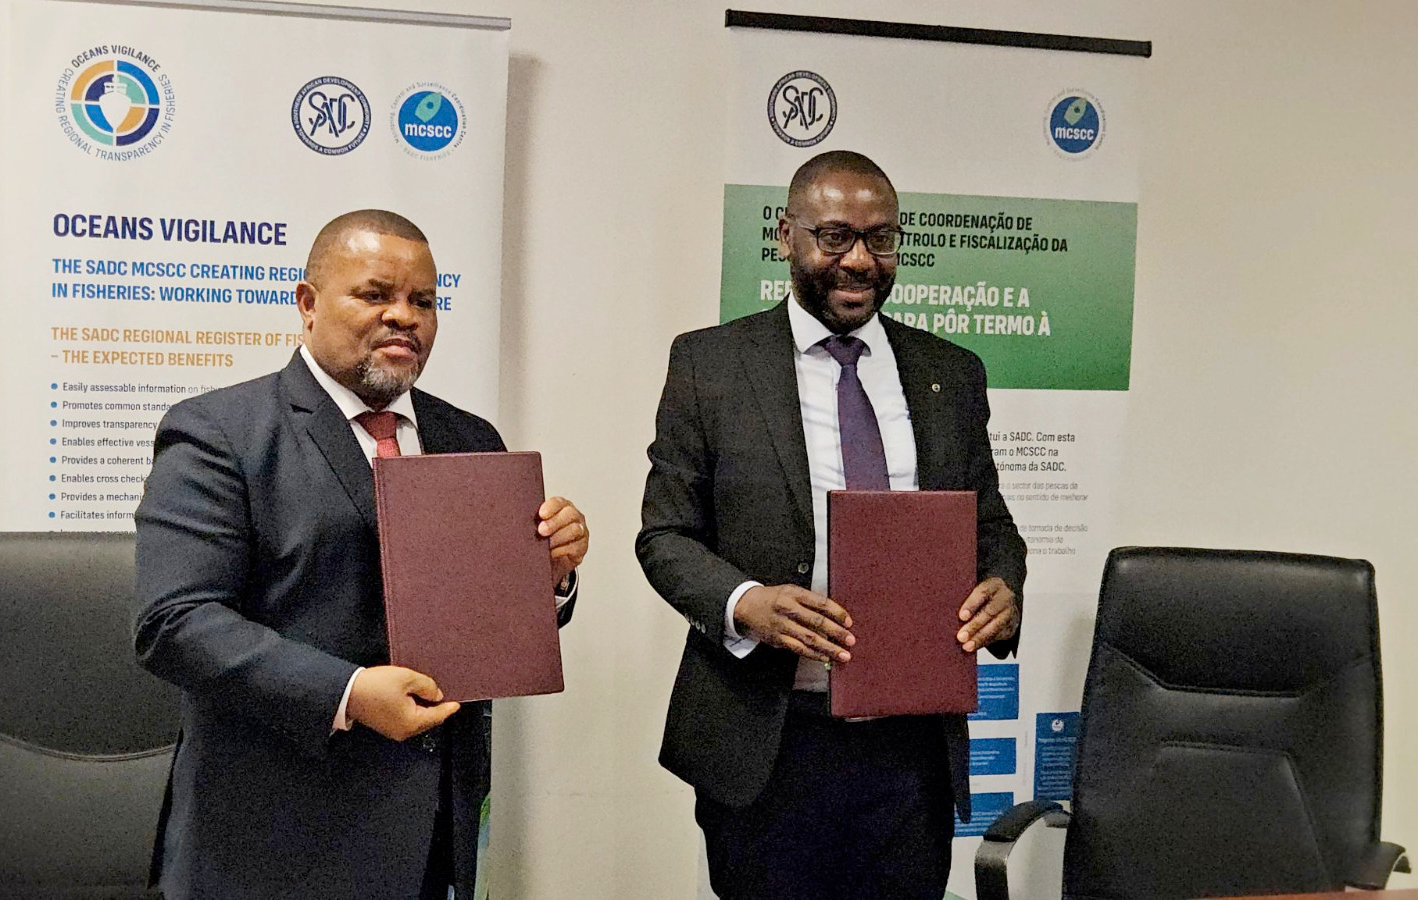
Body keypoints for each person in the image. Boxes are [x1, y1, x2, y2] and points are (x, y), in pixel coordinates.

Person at [134, 209, 589, 900]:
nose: (403, 316)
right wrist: (348, 694)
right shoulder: (219, 432)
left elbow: (485, 623)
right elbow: (174, 622)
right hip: (271, 842)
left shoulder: (470, 437)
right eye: (375, 295)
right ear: (308, 304)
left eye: (423, 301)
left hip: (433, 835)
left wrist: (545, 577)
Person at [636, 150, 1026, 899]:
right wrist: (747, 602)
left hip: (910, 752)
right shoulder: (710, 365)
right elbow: (665, 536)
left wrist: (1003, 585)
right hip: (769, 739)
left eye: (881, 238)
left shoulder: (951, 372)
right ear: (786, 236)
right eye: (835, 236)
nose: (860, 260)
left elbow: (992, 524)